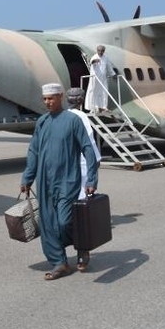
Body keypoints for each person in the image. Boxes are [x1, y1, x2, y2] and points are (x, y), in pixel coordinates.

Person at [20, 83, 98, 281]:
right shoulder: (42, 122)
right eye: (45, 99)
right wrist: (27, 177)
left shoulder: (72, 120)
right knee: (47, 224)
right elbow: (33, 151)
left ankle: (82, 245)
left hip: (67, 179)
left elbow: (87, 148)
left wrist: (91, 178)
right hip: (44, 180)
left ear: (61, 97)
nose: (47, 102)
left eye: (51, 98)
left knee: (64, 221)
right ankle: (59, 263)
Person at [66, 86, 102, 272]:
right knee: (80, 214)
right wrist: (93, 175)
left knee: (66, 214)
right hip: (81, 169)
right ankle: (82, 252)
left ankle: (64, 256)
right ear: (81, 101)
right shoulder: (81, 117)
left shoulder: (61, 117)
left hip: (65, 172)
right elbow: (90, 145)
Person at [84, 45, 116, 113]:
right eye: (99, 51)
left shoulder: (106, 58)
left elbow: (109, 67)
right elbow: (91, 62)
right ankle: (92, 107)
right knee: (93, 91)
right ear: (97, 50)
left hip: (103, 79)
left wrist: (113, 74)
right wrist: (95, 61)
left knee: (104, 92)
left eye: (102, 51)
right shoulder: (94, 57)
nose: (100, 52)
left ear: (104, 51)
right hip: (95, 79)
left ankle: (103, 107)